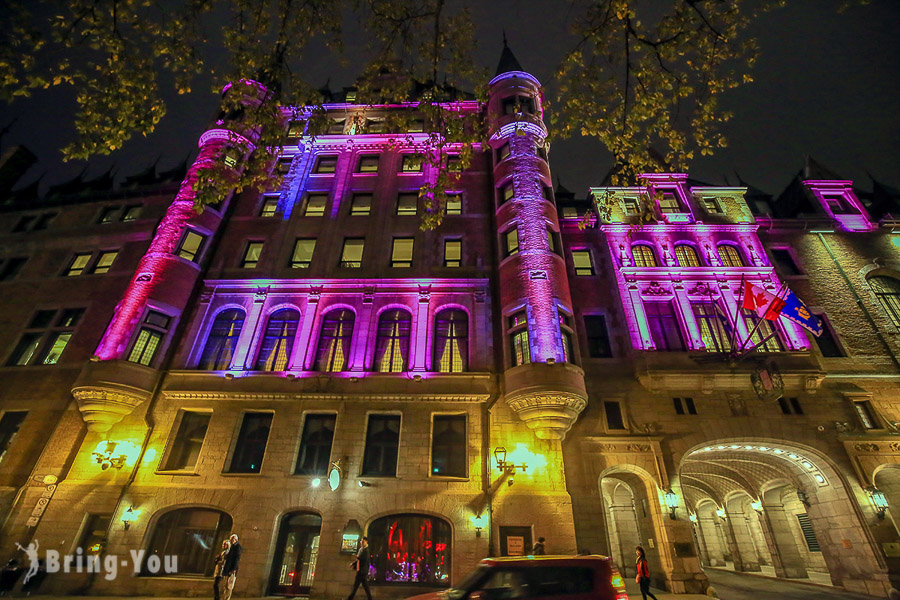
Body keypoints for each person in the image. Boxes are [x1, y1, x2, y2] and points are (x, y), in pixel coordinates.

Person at [222, 534, 242, 600]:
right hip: (228, 568)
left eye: (232, 539)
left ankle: (227, 598)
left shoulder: (237, 547)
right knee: (226, 585)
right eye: (231, 540)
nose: (231, 541)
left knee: (229, 585)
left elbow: (237, 558)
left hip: (232, 569)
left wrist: (234, 569)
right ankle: (225, 597)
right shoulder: (232, 546)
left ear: (236, 539)